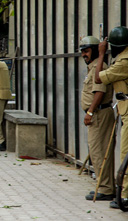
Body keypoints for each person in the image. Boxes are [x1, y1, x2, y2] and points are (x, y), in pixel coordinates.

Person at [95, 26, 128, 209]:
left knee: (126, 155)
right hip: (124, 108)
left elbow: (99, 78)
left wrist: (101, 54)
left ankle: (126, 196)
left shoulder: (123, 62)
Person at [79, 36, 115, 201]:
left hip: (99, 114)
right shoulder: (93, 66)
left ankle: (106, 189)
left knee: (100, 152)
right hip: (97, 114)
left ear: (94, 50)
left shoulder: (99, 67)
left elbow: (99, 92)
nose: (83, 55)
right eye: (82, 51)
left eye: (86, 51)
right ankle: (104, 185)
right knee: (97, 151)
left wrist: (90, 112)